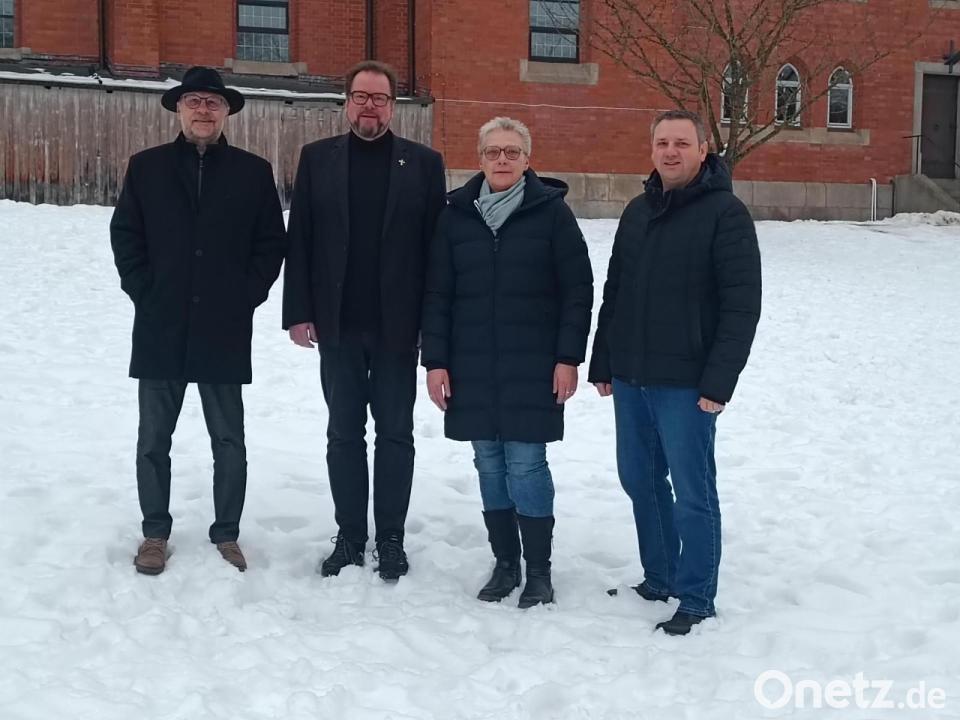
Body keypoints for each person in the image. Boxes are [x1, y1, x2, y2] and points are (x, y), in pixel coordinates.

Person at [589, 109, 761, 634]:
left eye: (682, 143)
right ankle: (659, 575)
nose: (670, 151)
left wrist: (718, 382)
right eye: (662, 142)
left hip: (688, 384)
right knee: (639, 478)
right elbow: (615, 292)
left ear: (703, 150)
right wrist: (604, 360)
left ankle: (696, 596)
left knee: (692, 491)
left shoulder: (726, 214)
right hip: (632, 377)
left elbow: (741, 307)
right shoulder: (637, 211)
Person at [110, 66, 287, 575]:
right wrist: (144, 290)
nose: (203, 110)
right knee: (153, 441)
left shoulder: (253, 172)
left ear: (226, 111)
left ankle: (227, 533)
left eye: (213, 102)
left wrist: (245, 295)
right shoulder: (147, 167)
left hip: (223, 326)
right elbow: (126, 234)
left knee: (229, 440)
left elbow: (270, 243)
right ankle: (154, 532)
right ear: (179, 109)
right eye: (195, 102)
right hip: (160, 322)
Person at [283, 60, 446, 581]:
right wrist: (298, 312)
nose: (369, 106)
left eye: (379, 98)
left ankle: (391, 538)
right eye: (360, 96)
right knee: (343, 433)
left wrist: (431, 322)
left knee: (396, 433)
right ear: (347, 102)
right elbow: (301, 238)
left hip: (399, 326)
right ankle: (351, 536)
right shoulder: (318, 159)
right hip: (338, 323)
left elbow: (436, 251)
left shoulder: (424, 164)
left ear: (392, 106)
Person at [421, 117, 593, 607]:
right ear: (479, 158)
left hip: (533, 365)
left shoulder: (552, 214)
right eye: (493, 152)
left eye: (512, 152)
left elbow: (577, 291)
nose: (502, 160)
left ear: (526, 159)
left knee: (526, 463)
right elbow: (437, 294)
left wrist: (568, 357)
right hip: (471, 364)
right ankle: (505, 563)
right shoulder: (455, 216)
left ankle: (538, 570)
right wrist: (436, 362)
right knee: (489, 464)